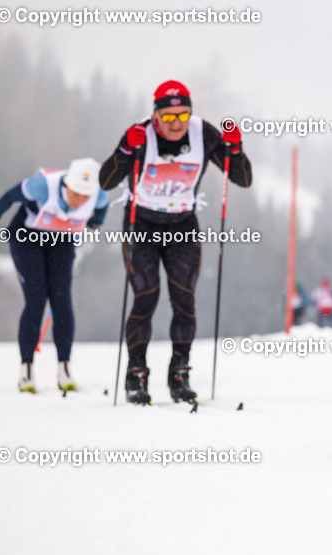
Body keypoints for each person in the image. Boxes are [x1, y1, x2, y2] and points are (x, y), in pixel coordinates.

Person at [99, 80, 252, 404]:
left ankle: (179, 375)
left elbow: (242, 178)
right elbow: (106, 181)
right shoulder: (140, 134)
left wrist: (236, 149)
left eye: (183, 115)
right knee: (146, 297)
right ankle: (136, 375)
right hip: (141, 225)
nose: (176, 124)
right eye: (168, 117)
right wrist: (125, 149)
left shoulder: (203, 133)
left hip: (182, 226)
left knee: (184, 300)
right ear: (155, 115)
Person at [0, 158, 109, 392]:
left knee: (62, 300)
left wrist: (93, 224)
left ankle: (64, 367)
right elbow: (10, 196)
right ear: (66, 184)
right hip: (26, 236)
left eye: (85, 196)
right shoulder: (43, 186)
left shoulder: (99, 194)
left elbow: (99, 214)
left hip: (61, 239)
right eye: (75, 193)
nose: (79, 200)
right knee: (36, 297)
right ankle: (26, 369)